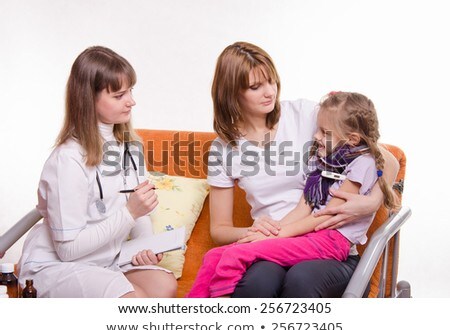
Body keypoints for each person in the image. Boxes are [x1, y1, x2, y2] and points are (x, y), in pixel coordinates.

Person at [197, 41, 399, 298]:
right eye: (255, 87)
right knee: (258, 283)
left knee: (301, 280)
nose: (269, 92)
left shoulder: (305, 114)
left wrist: (371, 202)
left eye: (272, 81)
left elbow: (384, 159)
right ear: (231, 93)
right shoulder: (223, 149)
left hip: (325, 244)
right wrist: (256, 231)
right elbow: (220, 229)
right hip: (272, 243)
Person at [17, 46, 177, 298]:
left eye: (131, 91)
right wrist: (129, 212)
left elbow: (141, 214)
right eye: (119, 95)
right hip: (58, 265)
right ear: (88, 98)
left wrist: (145, 247)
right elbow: (68, 250)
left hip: (106, 260)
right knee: (133, 300)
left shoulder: (130, 147)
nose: (131, 101)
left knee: (163, 284)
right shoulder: (67, 160)